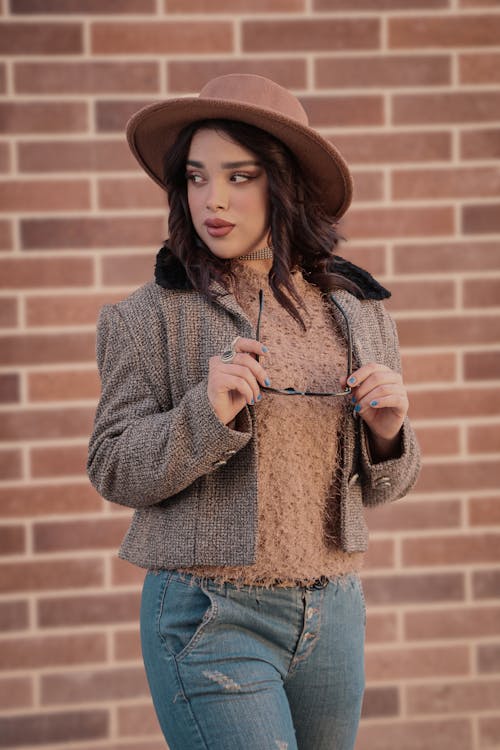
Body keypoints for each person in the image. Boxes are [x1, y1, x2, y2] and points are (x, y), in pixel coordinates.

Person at [87, 74, 421, 750]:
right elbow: (113, 466)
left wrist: (389, 434)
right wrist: (204, 414)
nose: (214, 200)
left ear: (284, 184)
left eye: (240, 177)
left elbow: (385, 487)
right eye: (196, 177)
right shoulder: (146, 318)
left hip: (332, 615)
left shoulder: (358, 312)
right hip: (209, 617)